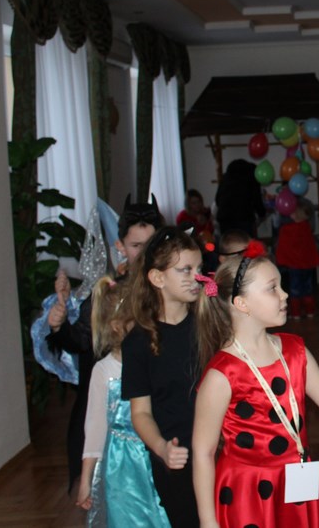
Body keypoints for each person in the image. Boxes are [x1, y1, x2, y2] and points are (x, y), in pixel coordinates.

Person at [192, 242, 319, 528]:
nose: (285, 294)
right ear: (242, 303)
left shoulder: (295, 350)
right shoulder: (222, 375)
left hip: (297, 480)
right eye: (273, 288)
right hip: (249, 492)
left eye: (281, 286)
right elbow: (203, 452)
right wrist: (207, 520)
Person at [45, 199, 162, 492]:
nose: (144, 253)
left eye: (150, 245)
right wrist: (59, 326)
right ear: (120, 246)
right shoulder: (110, 293)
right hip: (119, 412)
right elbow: (82, 341)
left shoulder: (171, 290)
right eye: (136, 245)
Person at [121, 227, 204, 528]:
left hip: (219, 450)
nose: (196, 277)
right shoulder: (138, 343)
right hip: (177, 457)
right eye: (185, 270)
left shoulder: (209, 327)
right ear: (157, 278)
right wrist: (161, 448)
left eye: (199, 269)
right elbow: (141, 413)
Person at [77, 276, 171, 527]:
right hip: (122, 467)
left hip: (157, 456)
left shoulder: (155, 359)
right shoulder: (104, 371)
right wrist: (86, 479)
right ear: (118, 326)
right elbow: (95, 427)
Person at [275, 200, 319, 319]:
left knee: (295, 289)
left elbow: (283, 245)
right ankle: (310, 311)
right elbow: (311, 247)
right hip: (308, 265)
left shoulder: (287, 229)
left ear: (295, 214)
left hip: (294, 266)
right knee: (308, 288)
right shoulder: (307, 228)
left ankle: (296, 313)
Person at [216, 159, 266, 238]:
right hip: (243, 217)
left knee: (227, 243)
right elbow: (257, 199)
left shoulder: (226, 177)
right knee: (245, 243)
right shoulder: (252, 176)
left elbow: (217, 199)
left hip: (224, 217)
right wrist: (262, 214)